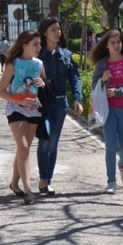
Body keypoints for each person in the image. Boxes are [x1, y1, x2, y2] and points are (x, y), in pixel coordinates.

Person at [90, 29, 123, 193]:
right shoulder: (102, 64)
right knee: (111, 146)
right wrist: (103, 80)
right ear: (106, 45)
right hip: (108, 110)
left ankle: (122, 165)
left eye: (118, 42)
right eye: (112, 43)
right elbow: (94, 86)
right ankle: (111, 182)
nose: (116, 45)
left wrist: (119, 92)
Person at [0, 30, 45, 204]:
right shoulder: (13, 64)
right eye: (35, 44)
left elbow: (45, 89)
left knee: (23, 149)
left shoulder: (39, 64)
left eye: (40, 44)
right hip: (15, 109)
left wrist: (43, 84)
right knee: (23, 147)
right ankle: (28, 190)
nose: (39, 47)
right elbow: (0, 92)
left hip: (34, 110)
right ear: (24, 45)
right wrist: (19, 101)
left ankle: (14, 183)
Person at [36, 17, 84, 196]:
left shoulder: (66, 54)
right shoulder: (38, 55)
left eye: (59, 29)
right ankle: (43, 178)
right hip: (42, 104)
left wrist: (78, 99)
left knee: (53, 143)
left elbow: (75, 78)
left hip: (60, 104)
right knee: (44, 140)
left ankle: (47, 180)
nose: (58, 32)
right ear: (45, 33)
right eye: (54, 29)